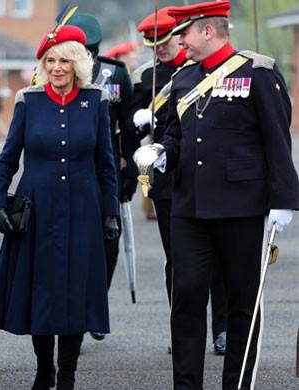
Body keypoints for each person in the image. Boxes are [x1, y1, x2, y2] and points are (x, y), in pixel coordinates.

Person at [134, 1, 299, 389]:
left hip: (240, 206)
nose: (180, 43)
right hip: (189, 206)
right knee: (187, 296)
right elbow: (175, 132)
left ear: (208, 31)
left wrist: (283, 198)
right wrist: (161, 152)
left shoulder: (258, 72)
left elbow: (277, 138)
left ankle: (236, 383)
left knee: (242, 302)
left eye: (184, 34)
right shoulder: (185, 78)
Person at [0, 25, 119, 390]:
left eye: (64, 61)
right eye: (50, 60)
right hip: (36, 210)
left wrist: (110, 213)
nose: (56, 68)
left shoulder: (96, 100)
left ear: (78, 65)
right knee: (41, 289)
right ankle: (44, 368)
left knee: (76, 292)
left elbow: (106, 164)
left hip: (84, 209)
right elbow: (7, 159)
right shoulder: (28, 100)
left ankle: (68, 374)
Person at [128, 6, 228, 356]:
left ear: (181, 36)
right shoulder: (145, 76)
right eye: (153, 43)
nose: (160, 48)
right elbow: (130, 123)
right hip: (169, 178)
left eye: (166, 40)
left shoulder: (204, 68)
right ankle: (183, 328)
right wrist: (137, 120)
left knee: (217, 257)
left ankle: (222, 328)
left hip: (208, 174)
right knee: (179, 260)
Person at [67, 15, 135, 341]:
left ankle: (96, 300)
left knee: (109, 246)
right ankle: (76, 310)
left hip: (107, 173)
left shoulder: (116, 74)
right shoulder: (56, 72)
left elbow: (128, 130)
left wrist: (131, 172)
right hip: (73, 173)